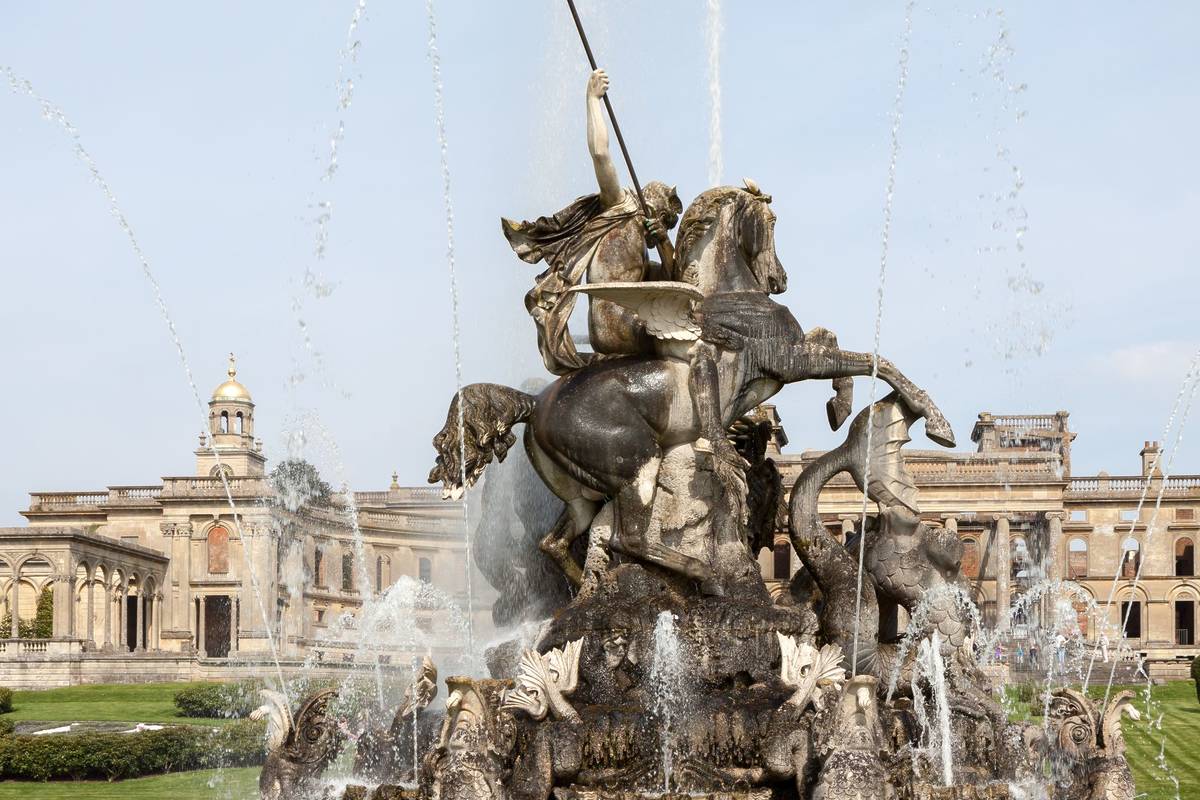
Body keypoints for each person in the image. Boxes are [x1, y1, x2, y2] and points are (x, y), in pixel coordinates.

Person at [502, 68, 682, 375]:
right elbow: (600, 154)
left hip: (617, 327)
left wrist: (664, 241)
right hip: (618, 329)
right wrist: (592, 99)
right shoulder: (620, 207)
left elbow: (677, 281)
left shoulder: (644, 264)